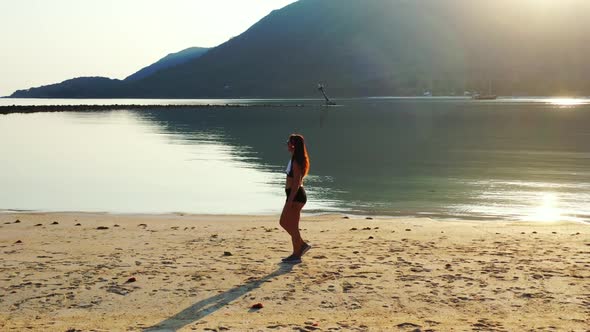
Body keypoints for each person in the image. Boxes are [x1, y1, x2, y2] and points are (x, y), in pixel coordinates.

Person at [280, 134, 311, 264]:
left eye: (289, 141)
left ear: (293, 145)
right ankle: (300, 247)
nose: (287, 143)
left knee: (286, 223)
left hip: (296, 196)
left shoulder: (297, 161)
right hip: (294, 196)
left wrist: (290, 201)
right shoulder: (294, 158)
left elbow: (296, 183)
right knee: (289, 224)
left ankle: (297, 253)